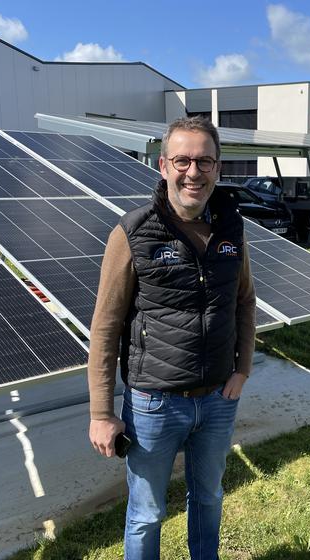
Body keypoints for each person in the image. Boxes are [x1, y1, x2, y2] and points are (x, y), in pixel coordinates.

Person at [88, 116, 256, 559]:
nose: (193, 172)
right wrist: (102, 412)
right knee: (146, 514)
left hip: (217, 400)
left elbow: (244, 301)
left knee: (209, 500)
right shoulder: (133, 232)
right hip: (153, 405)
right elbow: (105, 327)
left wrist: (242, 369)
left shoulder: (231, 229)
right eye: (182, 160)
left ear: (219, 168)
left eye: (204, 161)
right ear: (163, 165)